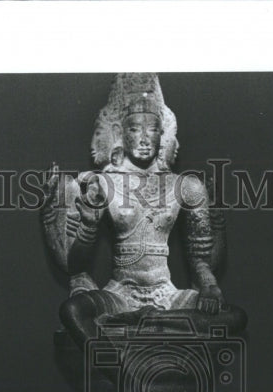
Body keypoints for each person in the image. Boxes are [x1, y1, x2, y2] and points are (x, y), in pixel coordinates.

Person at [41, 73, 246, 347]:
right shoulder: (102, 183)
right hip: (120, 294)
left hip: (168, 294)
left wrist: (209, 285)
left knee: (235, 316)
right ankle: (147, 328)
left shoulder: (185, 186)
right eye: (134, 129)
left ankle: (145, 321)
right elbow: (76, 265)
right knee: (73, 311)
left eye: (152, 129)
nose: (144, 138)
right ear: (119, 134)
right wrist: (88, 225)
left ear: (163, 135)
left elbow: (201, 256)